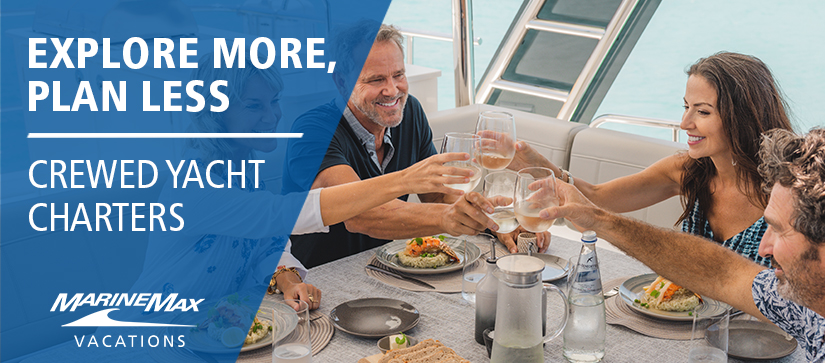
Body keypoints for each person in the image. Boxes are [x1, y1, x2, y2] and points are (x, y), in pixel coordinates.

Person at [131, 51, 474, 311]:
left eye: (274, 101)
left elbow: (267, 238)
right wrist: (403, 180)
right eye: (254, 106)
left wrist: (286, 276)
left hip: (223, 320)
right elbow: (284, 214)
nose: (273, 116)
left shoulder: (239, 162)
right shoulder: (194, 181)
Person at [540, 128, 825, 362]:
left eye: (778, 230)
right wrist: (599, 220)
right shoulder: (805, 308)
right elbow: (720, 272)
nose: (764, 248)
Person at [509, 52, 794, 265]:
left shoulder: (789, 190)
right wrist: (543, 171)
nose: (685, 123)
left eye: (703, 112)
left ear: (741, 118)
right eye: (686, 107)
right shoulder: (687, 170)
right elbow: (598, 198)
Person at [289, 23, 523, 268]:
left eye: (398, 75)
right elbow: (361, 216)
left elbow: (437, 195)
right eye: (376, 79)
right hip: (319, 280)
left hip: (386, 267)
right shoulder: (313, 130)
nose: (392, 90)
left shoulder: (410, 111)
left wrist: (490, 217)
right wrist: (448, 218)